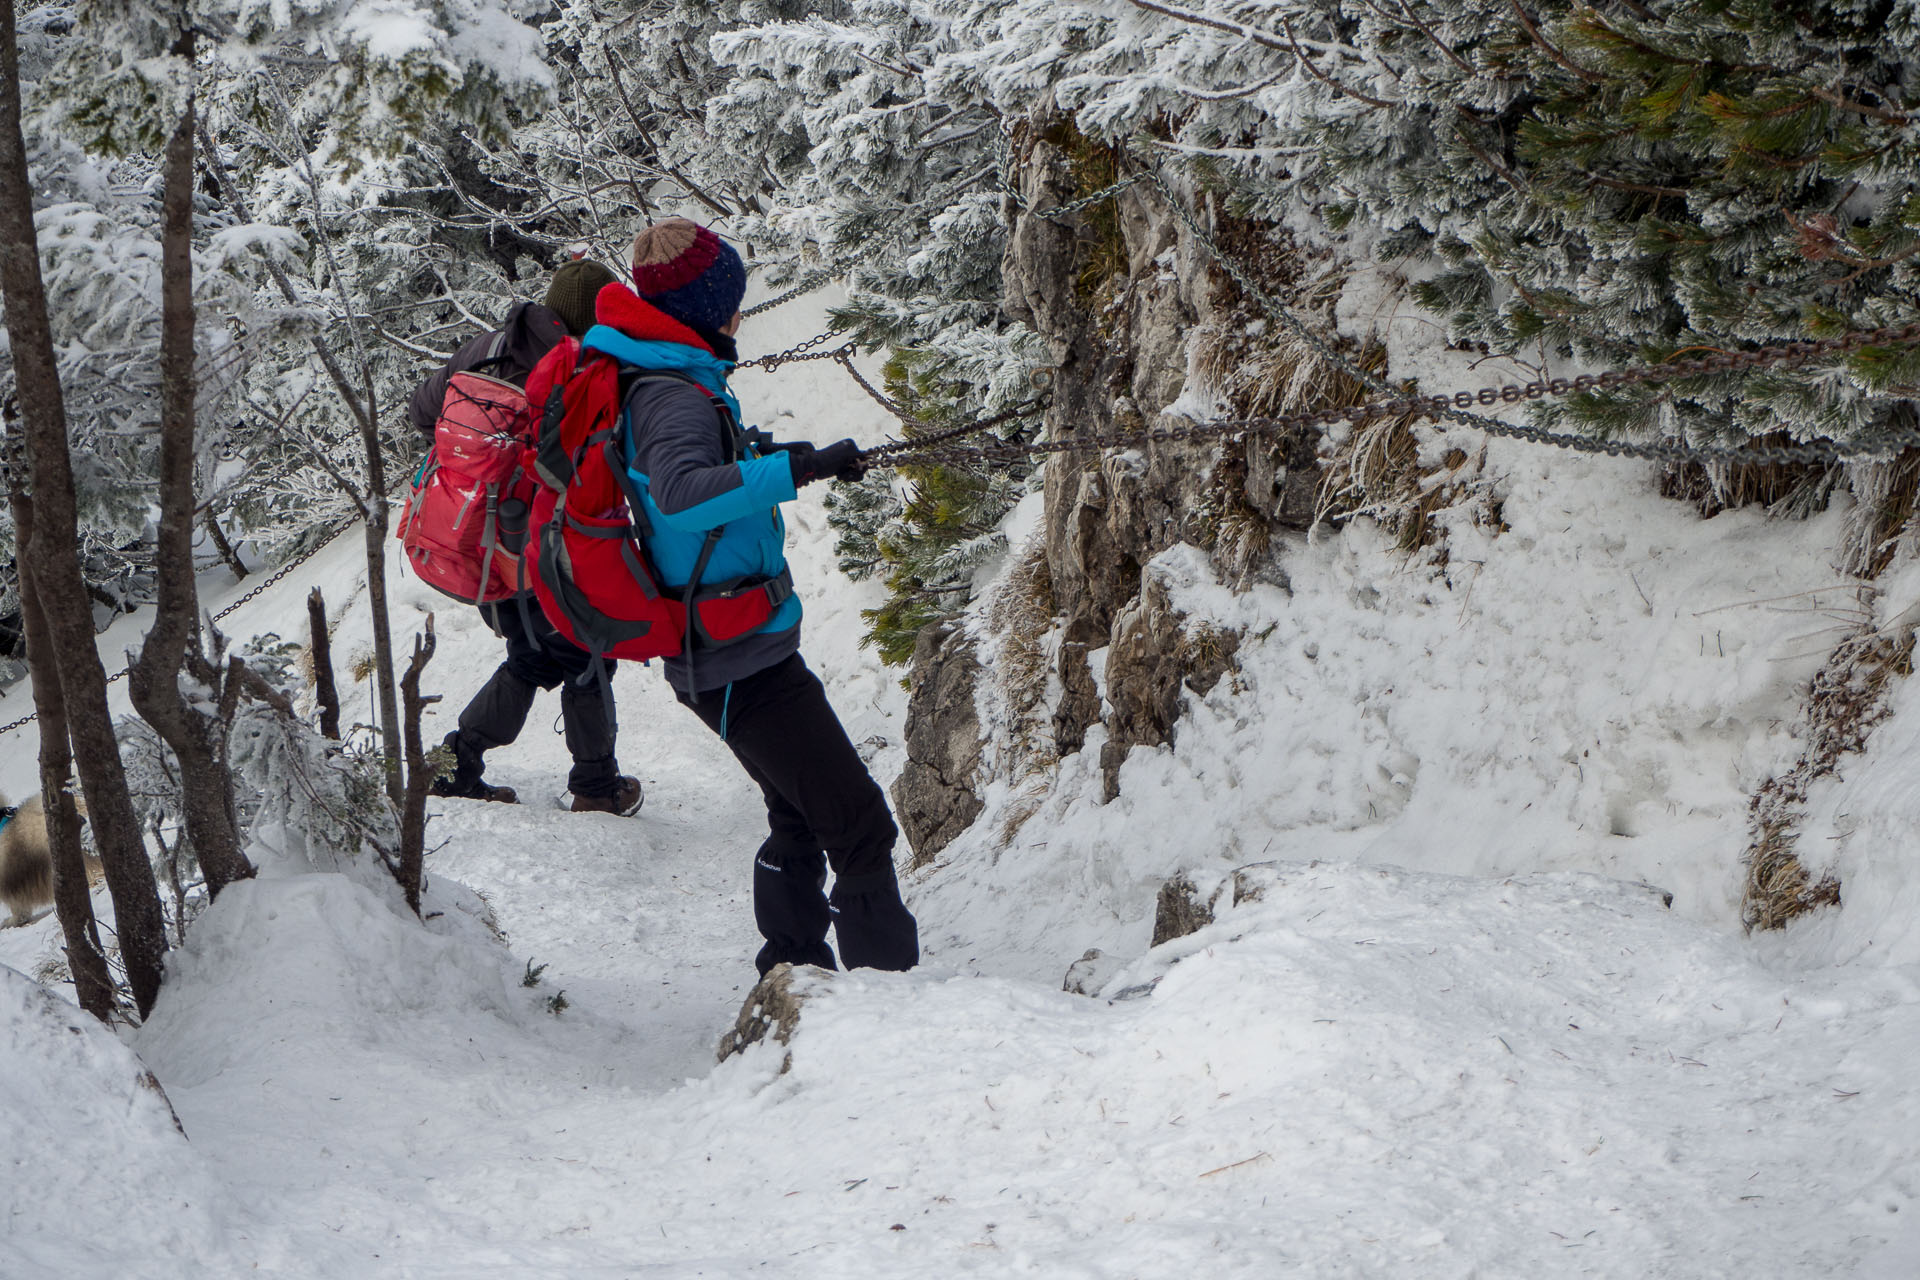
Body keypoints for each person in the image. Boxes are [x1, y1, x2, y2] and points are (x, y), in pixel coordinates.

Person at [580, 216, 918, 973]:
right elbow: (679, 492)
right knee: (858, 826)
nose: (739, 313)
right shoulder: (670, 392)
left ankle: (793, 968)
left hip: (729, 648)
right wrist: (791, 474)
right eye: (729, 299)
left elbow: (698, 468)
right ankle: (892, 1007)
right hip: (734, 658)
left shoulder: (670, 371)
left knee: (799, 815)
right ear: (702, 309)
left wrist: (785, 455)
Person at [409, 260, 644, 816]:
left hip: (485, 544)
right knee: (586, 657)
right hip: (553, 549)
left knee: (533, 656)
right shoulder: (585, 366)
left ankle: (455, 766)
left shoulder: (488, 346)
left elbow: (423, 412)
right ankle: (596, 787)